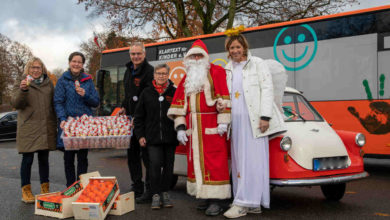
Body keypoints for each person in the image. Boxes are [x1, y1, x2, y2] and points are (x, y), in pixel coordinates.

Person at [221, 33, 286, 218]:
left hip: (254, 121)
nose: (235, 51)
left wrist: (265, 116)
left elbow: (267, 89)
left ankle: (246, 202)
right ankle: (249, 201)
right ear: (228, 50)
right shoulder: (227, 69)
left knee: (253, 161)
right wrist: (222, 105)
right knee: (239, 161)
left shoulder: (258, 63)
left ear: (244, 47)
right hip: (236, 122)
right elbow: (227, 94)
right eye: (231, 48)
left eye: (237, 47)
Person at [167, 39, 231, 216]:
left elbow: (224, 97)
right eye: (193, 55)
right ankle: (203, 195)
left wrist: (223, 121)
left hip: (212, 125)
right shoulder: (187, 78)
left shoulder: (217, 72)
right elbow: (178, 106)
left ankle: (216, 200)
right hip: (193, 127)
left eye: (199, 55)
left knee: (214, 163)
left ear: (204, 57)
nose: (196, 58)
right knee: (196, 163)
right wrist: (180, 128)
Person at [11, 57, 57, 203]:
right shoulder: (21, 83)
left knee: (44, 160)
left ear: (42, 69)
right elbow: (16, 104)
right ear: (28, 69)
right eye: (33, 67)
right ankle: (26, 191)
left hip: (45, 126)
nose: (36, 70)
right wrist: (22, 90)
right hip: (29, 128)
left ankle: (45, 189)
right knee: (28, 160)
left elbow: (54, 103)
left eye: (38, 67)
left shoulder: (49, 84)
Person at [133, 63, 178, 209]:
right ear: (154, 75)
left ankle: (165, 193)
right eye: (158, 73)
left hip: (170, 137)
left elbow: (180, 113)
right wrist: (140, 135)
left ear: (168, 75)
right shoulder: (146, 93)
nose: (161, 76)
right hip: (152, 138)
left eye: (164, 74)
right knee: (155, 165)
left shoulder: (175, 92)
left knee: (169, 168)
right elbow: (138, 117)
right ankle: (156, 195)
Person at [54, 52, 99, 187]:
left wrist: (85, 95)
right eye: (74, 61)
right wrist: (62, 118)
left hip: (84, 125)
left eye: (79, 62)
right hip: (68, 124)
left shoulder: (88, 80)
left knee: (82, 158)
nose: (76, 64)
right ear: (69, 62)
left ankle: (81, 186)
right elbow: (58, 102)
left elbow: (95, 102)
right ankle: (71, 187)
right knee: (68, 158)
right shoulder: (63, 80)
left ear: (82, 64)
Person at [116, 42, 154, 203]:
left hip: (144, 121)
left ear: (144, 54)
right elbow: (128, 94)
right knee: (132, 156)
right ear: (130, 55)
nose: (136, 57)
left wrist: (137, 117)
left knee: (147, 157)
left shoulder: (150, 71)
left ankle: (150, 190)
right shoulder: (128, 70)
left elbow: (147, 98)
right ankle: (137, 186)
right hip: (130, 120)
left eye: (139, 54)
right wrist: (124, 107)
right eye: (133, 54)